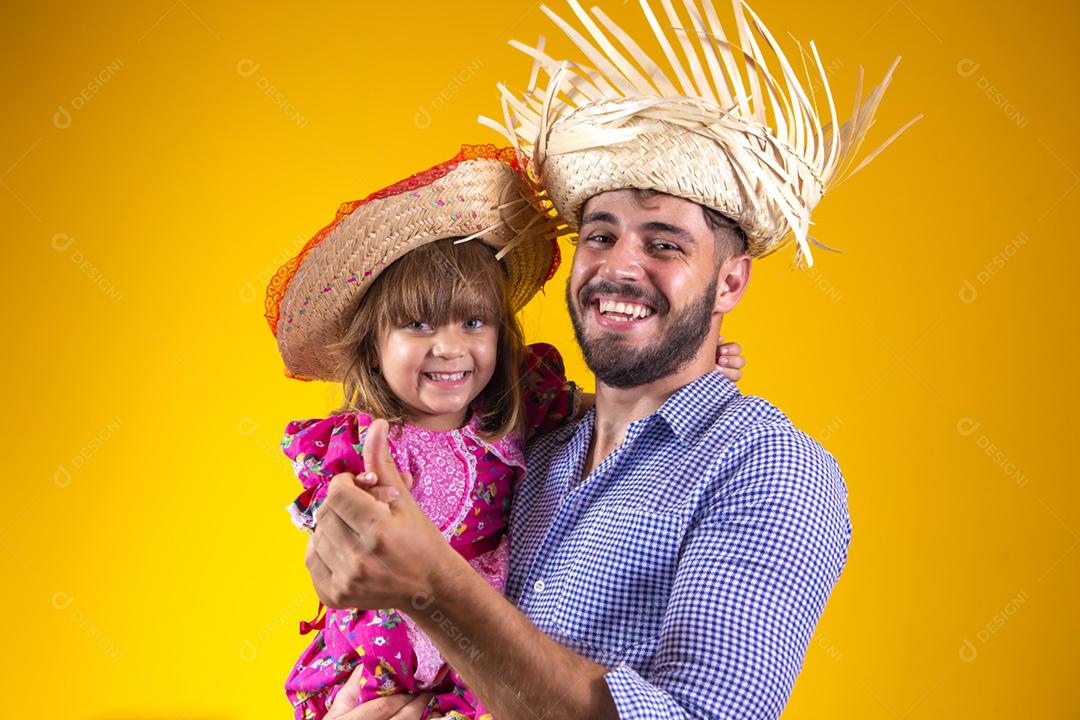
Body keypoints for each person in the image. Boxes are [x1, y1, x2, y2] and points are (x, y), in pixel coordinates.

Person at [304, 1, 919, 719]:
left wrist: (432, 585)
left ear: (730, 282)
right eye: (600, 235)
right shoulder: (528, 451)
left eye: (663, 243)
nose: (618, 267)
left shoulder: (767, 466)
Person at [265, 144, 746, 720]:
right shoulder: (376, 445)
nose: (448, 347)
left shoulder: (520, 417)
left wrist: (687, 384)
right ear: (372, 344)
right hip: (378, 665)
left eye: (473, 322)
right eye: (598, 236)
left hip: (466, 687)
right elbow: (343, 558)